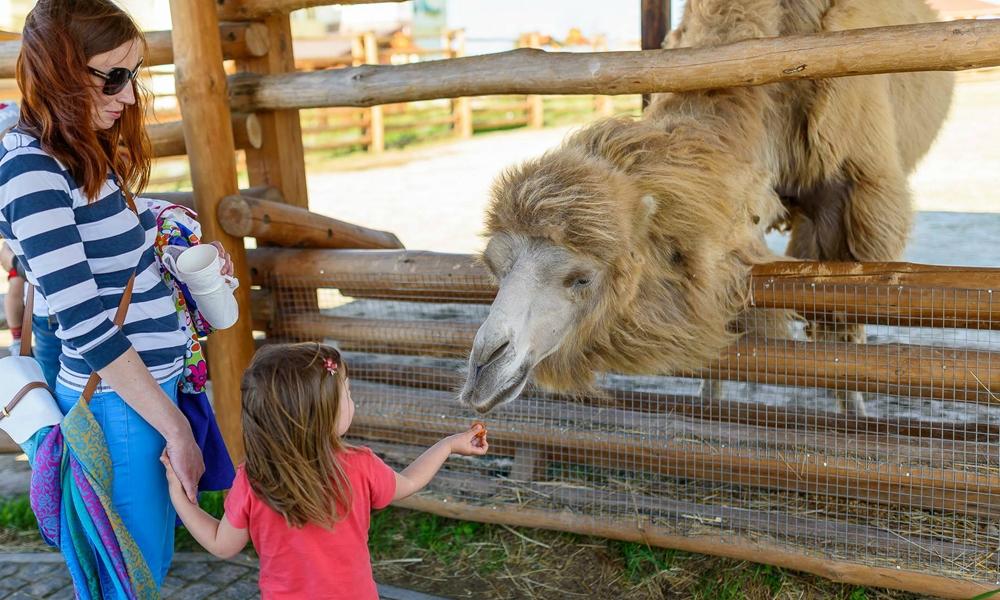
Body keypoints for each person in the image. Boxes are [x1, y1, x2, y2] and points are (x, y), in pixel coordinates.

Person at [0, 0, 226, 587]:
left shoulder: (78, 150)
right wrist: (176, 428)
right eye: (115, 77)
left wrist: (169, 237)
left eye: (134, 75)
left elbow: (113, 243)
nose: (129, 96)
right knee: (130, 575)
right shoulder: (33, 171)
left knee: (140, 568)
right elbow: (84, 324)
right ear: (60, 70)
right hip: (122, 406)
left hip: (147, 393)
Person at [162, 343, 489, 599]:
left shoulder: (254, 480)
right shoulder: (360, 466)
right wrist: (447, 445)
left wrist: (181, 498)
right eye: (346, 393)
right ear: (322, 413)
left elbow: (222, 545)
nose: (351, 399)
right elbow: (410, 481)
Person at [1, 239, 62, 388]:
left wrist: (13, 260)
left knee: (50, 378)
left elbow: (7, 257)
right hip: (47, 315)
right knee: (49, 378)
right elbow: (5, 256)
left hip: (49, 312)